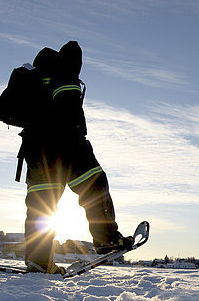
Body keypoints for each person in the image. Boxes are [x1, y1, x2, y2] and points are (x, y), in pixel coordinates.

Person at [18, 41, 132, 274]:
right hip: (69, 150)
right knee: (95, 187)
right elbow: (68, 113)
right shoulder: (65, 74)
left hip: (38, 154)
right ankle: (107, 239)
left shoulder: (35, 79)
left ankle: (39, 261)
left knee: (41, 207)